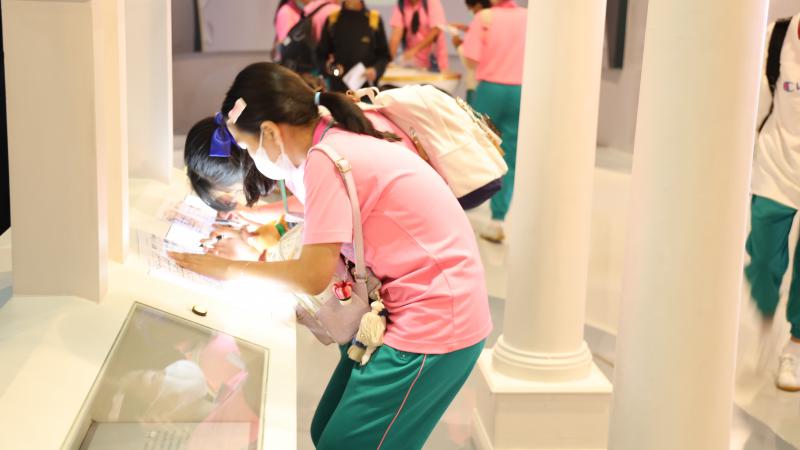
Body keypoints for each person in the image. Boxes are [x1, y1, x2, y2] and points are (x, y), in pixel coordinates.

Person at [170, 62, 491, 449]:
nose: (251, 158)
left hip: (433, 318)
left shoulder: (325, 158)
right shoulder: (330, 139)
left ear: (270, 132)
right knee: (325, 430)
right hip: (413, 306)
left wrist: (229, 268)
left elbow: (312, 275)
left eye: (247, 147)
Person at [746, 13, 800, 392]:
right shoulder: (777, 36)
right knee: (763, 257)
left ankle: (795, 347)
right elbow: (753, 99)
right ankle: (766, 307)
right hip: (775, 165)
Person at [461, 0, 526, 243]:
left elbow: (471, 59)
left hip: (490, 88)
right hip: (520, 91)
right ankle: (498, 219)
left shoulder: (485, 17)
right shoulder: (528, 17)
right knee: (509, 154)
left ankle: (462, 208)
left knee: (473, 148)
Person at [316, 0, 391, 92]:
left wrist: (375, 70)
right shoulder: (333, 20)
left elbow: (384, 55)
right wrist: (329, 68)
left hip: (366, 89)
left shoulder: (374, 19)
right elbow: (320, 56)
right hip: (338, 90)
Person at [389, 0, 449, 72]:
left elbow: (436, 30)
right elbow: (395, 35)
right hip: (412, 62)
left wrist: (414, 50)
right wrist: (388, 61)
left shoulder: (432, 2)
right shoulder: (402, 4)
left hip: (434, 62)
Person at [451, 0, 492, 105]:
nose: (472, 12)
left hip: (476, 84)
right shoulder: (498, 19)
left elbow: (470, 60)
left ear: (478, 4)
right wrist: (468, 30)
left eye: (472, 9)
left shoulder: (480, 19)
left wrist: (458, 46)